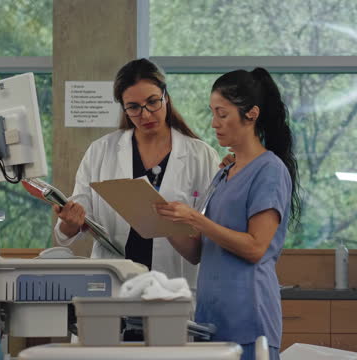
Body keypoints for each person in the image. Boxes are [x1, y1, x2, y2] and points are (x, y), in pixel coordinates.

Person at [155, 67, 301, 360]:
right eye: (213, 113)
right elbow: (198, 251)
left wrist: (195, 219)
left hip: (249, 317)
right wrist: (165, 223)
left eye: (222, 114)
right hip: (212, 319)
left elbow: (255, 247)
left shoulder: (270, 171)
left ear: (251, 114)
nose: (214, 123)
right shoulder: (224, 174)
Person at [53, 58, 221, 290]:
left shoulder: (201, 155)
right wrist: (69, 222)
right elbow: (72, 224)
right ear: (123, 108)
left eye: (153, 102)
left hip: (173, 285)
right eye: (133, 107)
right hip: (113, 284)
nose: (146, 114)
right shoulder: (101, 151)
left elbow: (212, 229)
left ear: (166, 97)